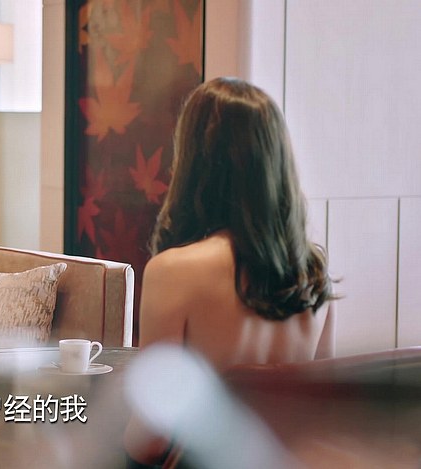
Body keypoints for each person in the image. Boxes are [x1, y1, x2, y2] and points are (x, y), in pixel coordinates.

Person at [124, 77, 336, 466]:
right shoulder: (314, 275)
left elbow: (151, 440)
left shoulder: (173, 271)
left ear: (194, 161)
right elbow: (320, 416)